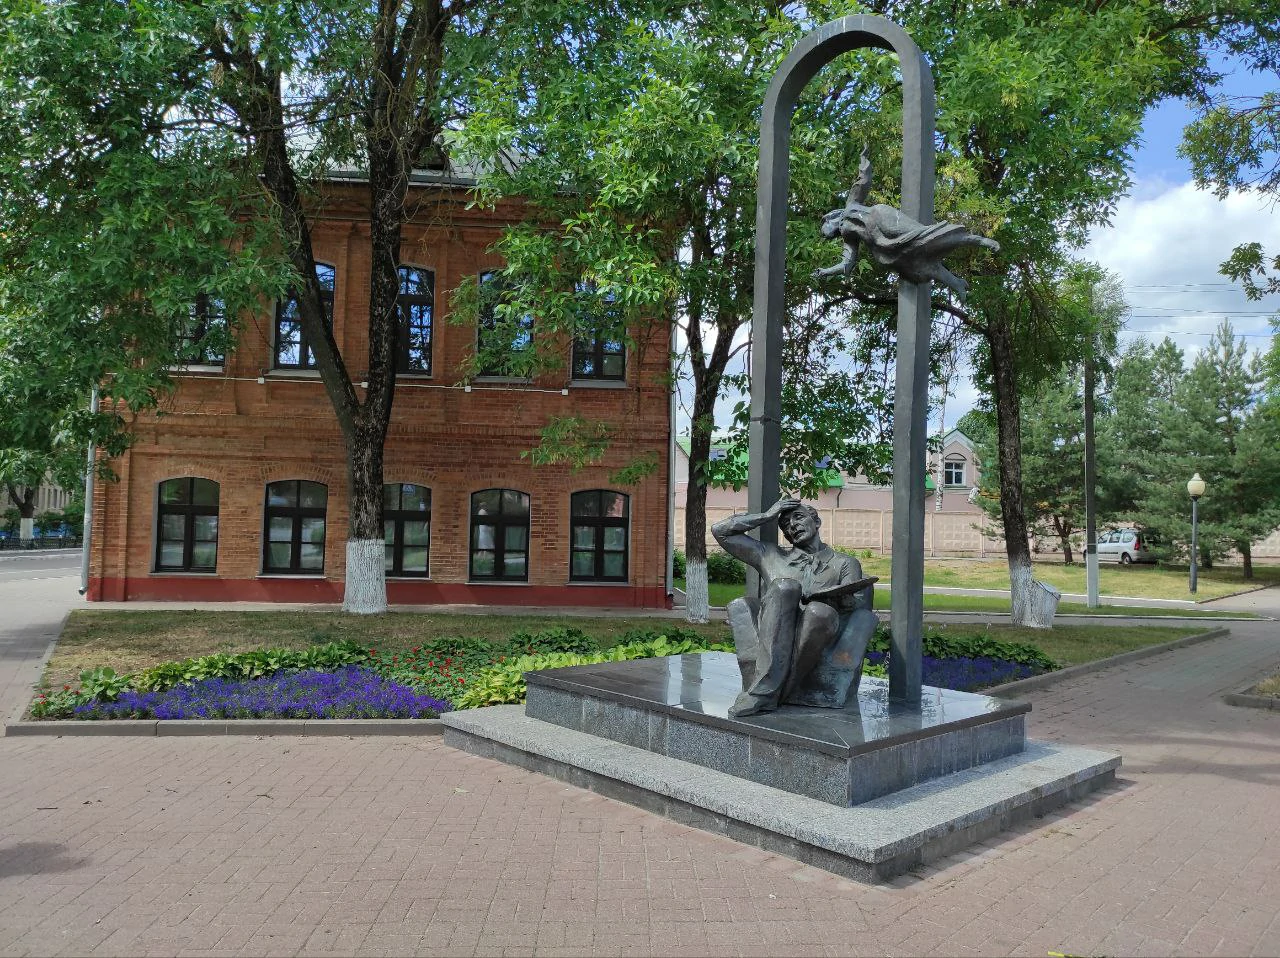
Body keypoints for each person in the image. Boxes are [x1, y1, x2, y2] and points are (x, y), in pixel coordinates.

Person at [711, 497, 878, 718]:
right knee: (785, 587)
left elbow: (857, 605)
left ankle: (768, 693)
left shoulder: (844, 563)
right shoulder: (769, 555)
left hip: (820, 634)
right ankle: (767, 692)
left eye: (798, 517)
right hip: (773, 626)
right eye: (785, 525)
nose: (792, 526)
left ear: (816, 522)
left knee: (819, 612)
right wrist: (766, 516)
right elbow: (720, 531)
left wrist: (837, 598)